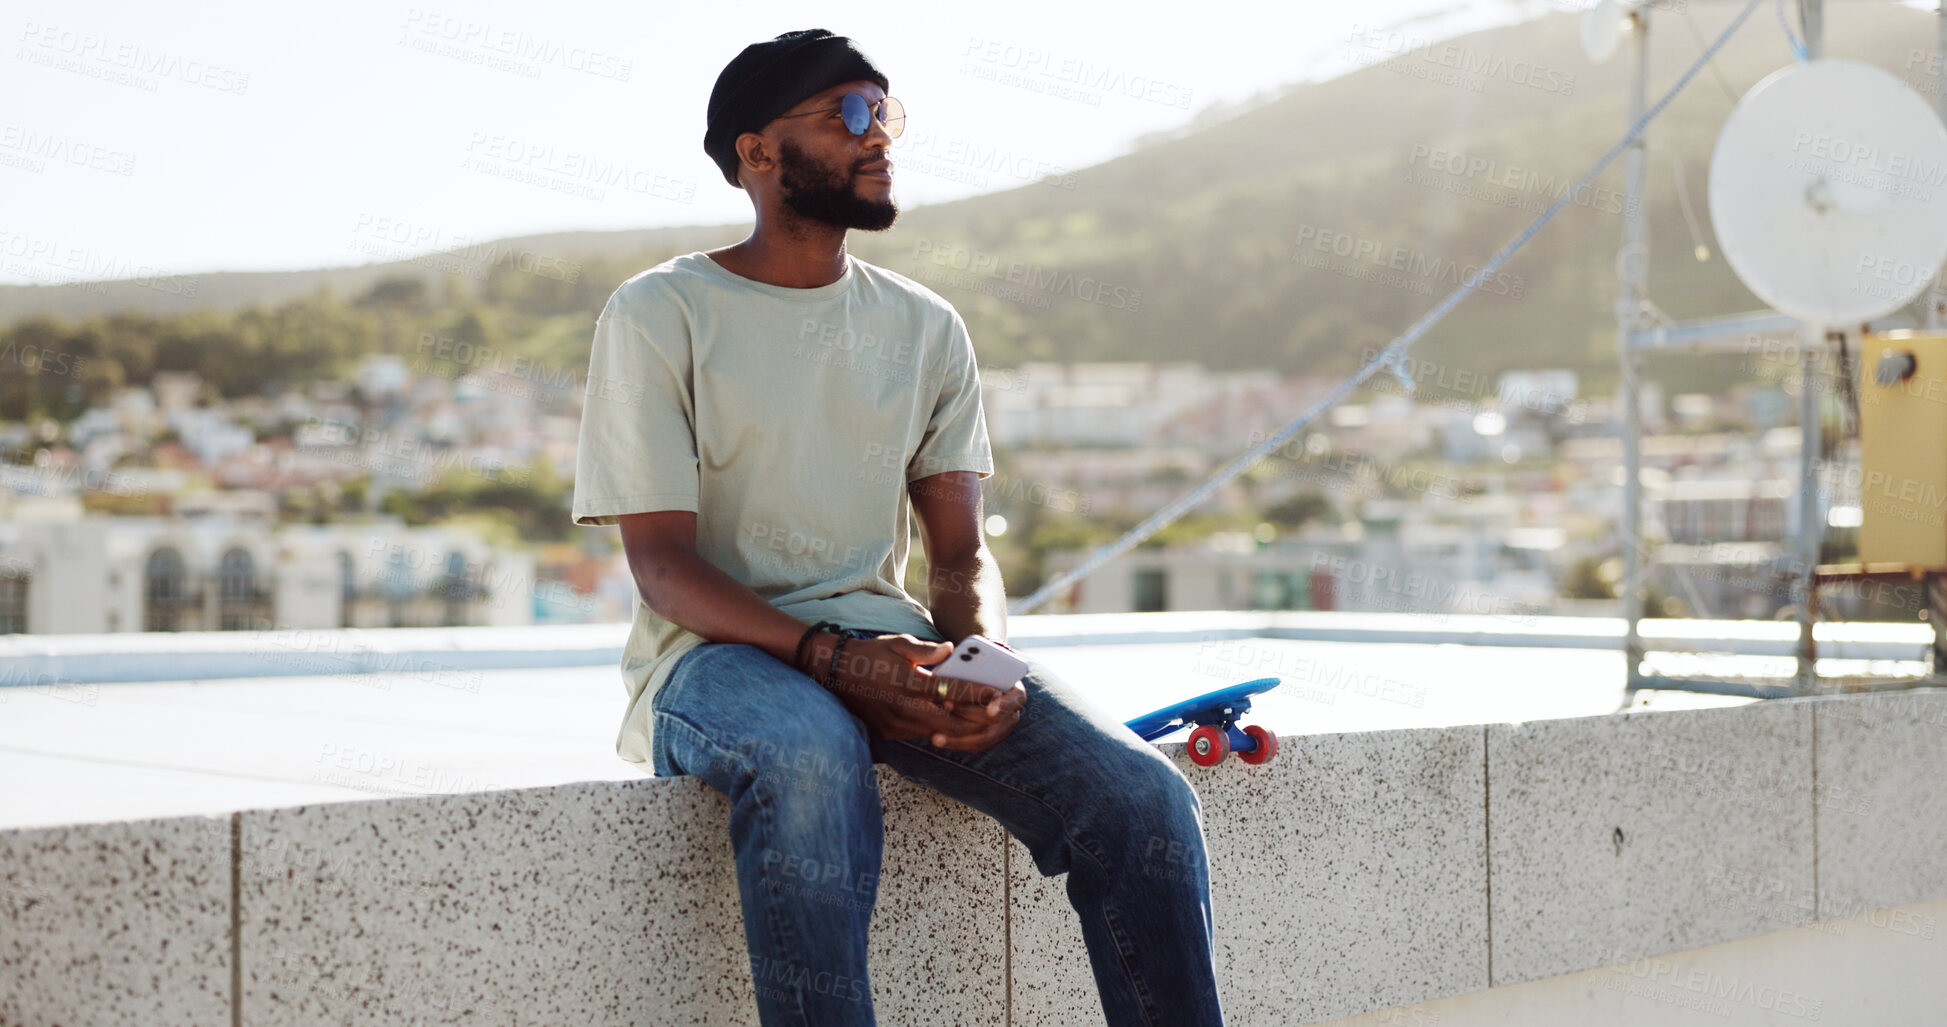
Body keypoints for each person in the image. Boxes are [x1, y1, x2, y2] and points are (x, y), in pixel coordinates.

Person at [570, 28, 1224, 1026]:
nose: (881, 138)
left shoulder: (924, 326)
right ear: (757, 152)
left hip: (888, 640)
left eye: (887, 112)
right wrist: (833, 658)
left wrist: (982, 657)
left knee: (1142, 800)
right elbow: (662, 567)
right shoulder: (661, 311)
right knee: (808, 753)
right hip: (712, 661)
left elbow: (961, 551)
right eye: (851, 114)